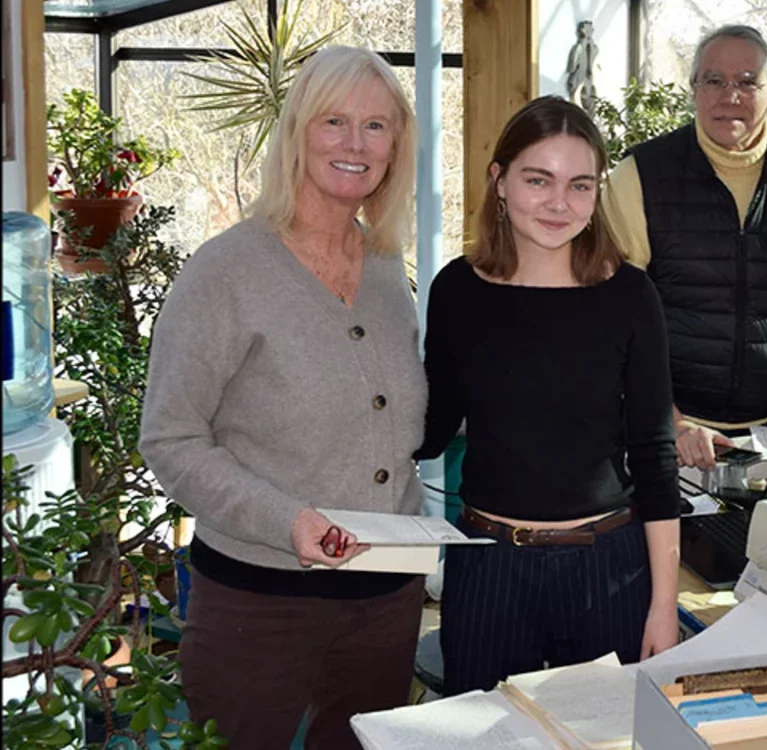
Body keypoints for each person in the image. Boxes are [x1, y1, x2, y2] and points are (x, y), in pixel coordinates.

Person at [140, 46, 426, 749]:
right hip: (257, 602)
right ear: (297, 132)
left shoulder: (389, 271)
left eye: (376, 126)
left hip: (386, 598)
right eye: (334, 121)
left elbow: (390, 425)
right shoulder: (226, 272)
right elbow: (170, 439)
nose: (355, 144)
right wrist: (286, 519)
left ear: (396, 148)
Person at [415, 96, 681, 696]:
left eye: (580, 185)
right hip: (488, 565)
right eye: (539, 179)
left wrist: (664, 605)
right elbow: (430, 427)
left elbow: (655, 455)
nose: (560, 203)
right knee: (482, 738)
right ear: (499, 181)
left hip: (607, 567)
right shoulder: (458, 289)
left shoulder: (631, 297)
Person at [603, 24, 767, 469]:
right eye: (714, 81)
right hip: (663, 426)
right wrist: (673, 423)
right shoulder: (639, 175)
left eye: (747, 81)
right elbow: (611, 312)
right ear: (694, 90)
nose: (730, 95)